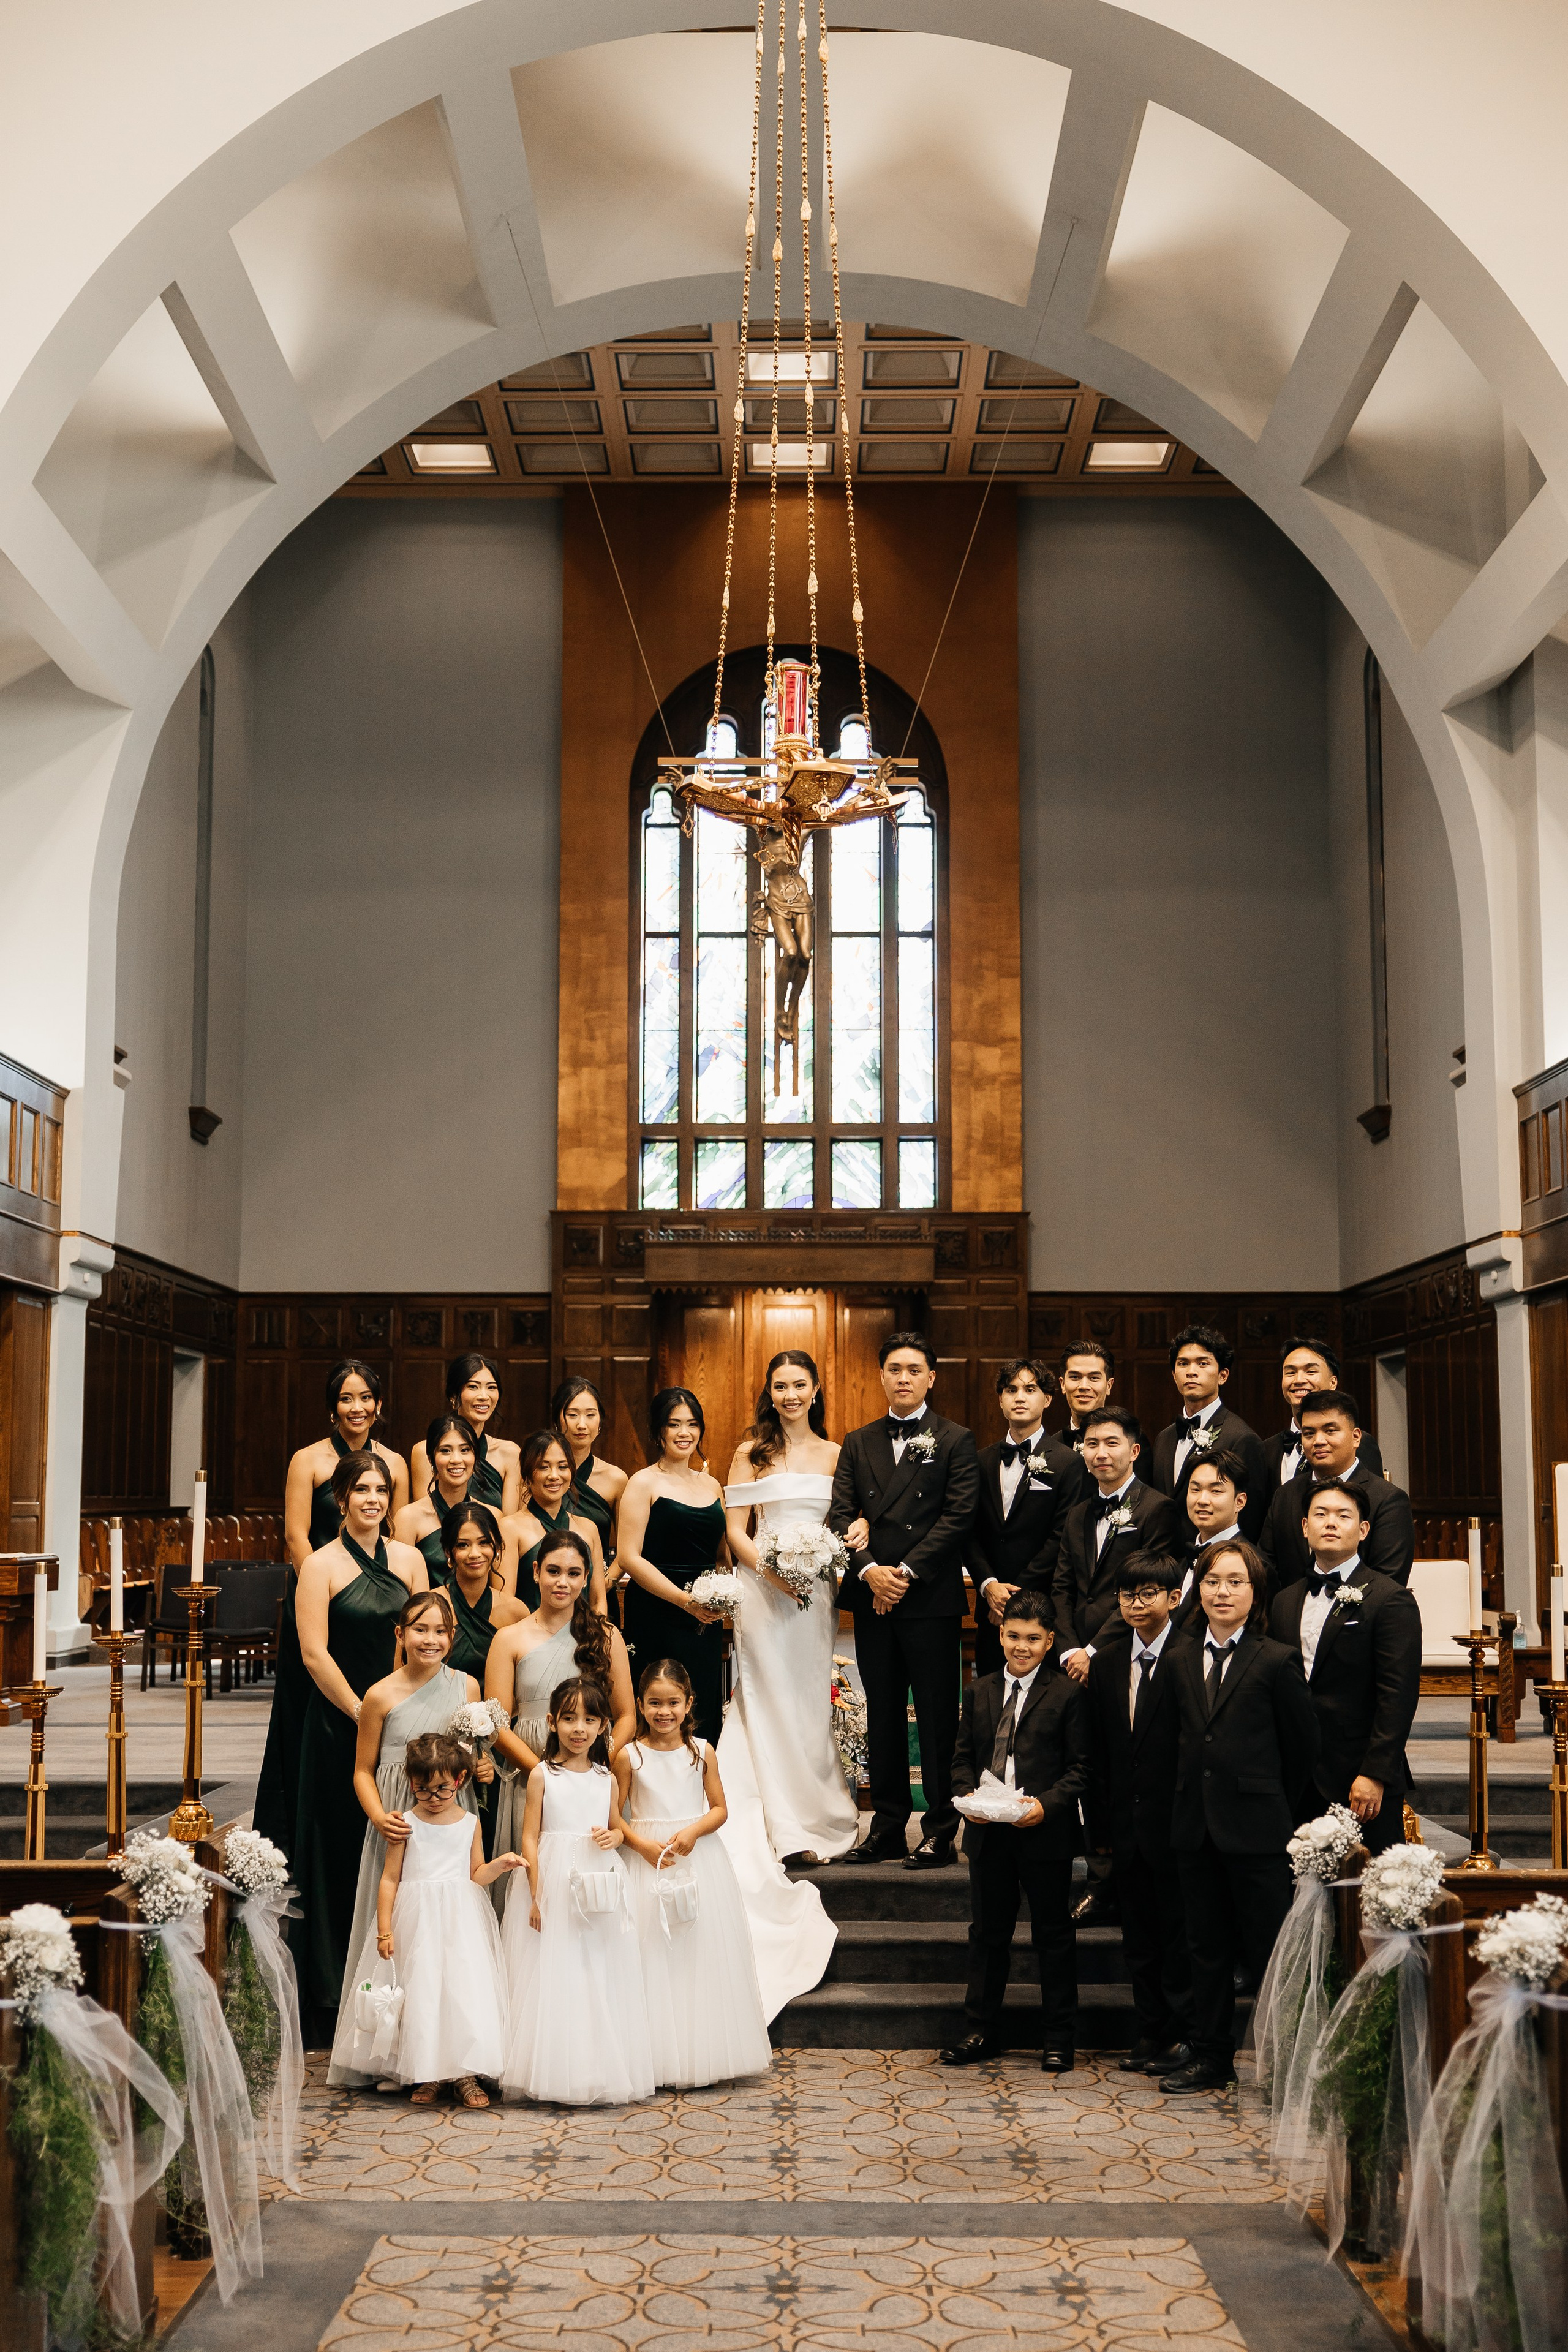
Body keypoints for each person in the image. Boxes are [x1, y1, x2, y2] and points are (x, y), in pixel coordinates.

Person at [1161, 1539, 1319, 2094]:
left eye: (1235, 1581)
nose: (1222, 1591)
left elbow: (1301, 1752)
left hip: (1257, 1829)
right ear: (1197, 1590)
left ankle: (1288, 2060)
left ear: (1255, 1594)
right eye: (1212, 1581)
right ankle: (1210, 2055)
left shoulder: (1276, 1659)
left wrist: (1271, 1804)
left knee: (1269, 1946)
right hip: (1194, 1826)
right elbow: (1167, 1743)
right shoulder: (1178, 1658)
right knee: (1204, 1948)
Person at [290, 1451, 429, 2046]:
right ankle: (331, 1992)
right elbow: (314, 1654)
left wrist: (401, 1707)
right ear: (340, 1499)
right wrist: (362, 1711)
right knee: (340, 1849)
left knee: (400, 1852)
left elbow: (426, 1636)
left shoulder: (411, 1559)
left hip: (404, 1719)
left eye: (381, 1490)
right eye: (360, 1489)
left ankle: (404, 1980)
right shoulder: (319, 1566)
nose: (372, 1498)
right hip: (337, 1720)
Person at [829, 1331, 980, 1871]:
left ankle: (941, 1830)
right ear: (882, 1375)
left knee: (938, 1719)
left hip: (929, 1598)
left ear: (931, 1378)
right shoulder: (857, 1440)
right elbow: (840, 1513)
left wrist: (905, 1574)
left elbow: (958, 1517)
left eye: (914, 1369)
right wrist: (871, 1573)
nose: (904, 1378)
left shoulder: (956, 1439)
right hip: (873, 1598)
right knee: (884, 1716)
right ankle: (888, 1828)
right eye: (894, 1368)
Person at [328, 1585, 490, 2084]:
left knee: (448, 1947)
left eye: (441, 1631)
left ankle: (453, 2055)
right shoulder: (380, 1694)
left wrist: (482, 1765)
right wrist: (380, 1816)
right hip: (399, 1816)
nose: (431, 1639)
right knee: (400, 1937)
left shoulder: (467, 1687)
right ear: (400, 1634)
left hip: (448, 1812)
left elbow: (472, 1750)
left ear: (453, 1635)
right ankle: (395, 2056)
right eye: (420, 1629)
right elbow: (362, 1768)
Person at [257, 1360, 409, 1856]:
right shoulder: (309, 1460)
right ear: (332, 1408)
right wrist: (331, 1589)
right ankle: (304, 1835)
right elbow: (296, 1535)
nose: (357, 1407)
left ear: (379, 1404)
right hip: (322, 1594)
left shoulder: (395, 1462)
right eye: (346, 1398)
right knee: (309, 1722)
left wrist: (380, 1591)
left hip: (379, 1606)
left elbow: (396, 1534)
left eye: (366, 1397)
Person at [941, 1591, 1090, 2074]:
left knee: (1053, 1934)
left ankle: (1058, 2038)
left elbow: (1081, 1769)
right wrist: (969, 1802)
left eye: (1032, 1639)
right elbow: (963, 1758)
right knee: (988, 1934)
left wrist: (1046, 1806)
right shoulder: (979, 1689)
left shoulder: (1067, 1694)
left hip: (1041, 1833)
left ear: (1049, 1642)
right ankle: (980, 2028)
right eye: (1012, 1636)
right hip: (989, 1833)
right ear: (999, 1635)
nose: (1020, 1647)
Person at [333, 1731, 521, 2106]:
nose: (433, 1799)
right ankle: (429, 2072)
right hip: (416, 1918)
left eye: (441, 1790)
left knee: (463, 1990)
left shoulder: (469, 1822)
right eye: (423, 1790)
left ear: (459, 1780)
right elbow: (390, 1878)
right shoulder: (404, 1823)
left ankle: (465, 2074)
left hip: (461, 1918)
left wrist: (499, 1866)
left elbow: (475, 1873)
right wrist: (385, 1929)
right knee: (424, 1991)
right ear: (411, 1783)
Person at [614, 1659, 772, 2088]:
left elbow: (720, 1808)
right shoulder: (629, 1756)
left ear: (689, 1703)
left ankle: (697, 2051)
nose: (663, 1712)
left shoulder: (702, 1752)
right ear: (641, 1705)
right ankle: (655, 2056)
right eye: (653, 1703)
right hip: (648, 1859)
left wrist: (693, 1832)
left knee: (694, 1953)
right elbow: (614, 1815)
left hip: (696, 1856)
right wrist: (641, 1845)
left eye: (673, 1703)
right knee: (651, 1953)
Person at [499, 1675, 655, 2107]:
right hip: (552, 1874)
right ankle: (550, 2066)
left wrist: (615, 1840)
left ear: (604, 1725)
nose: (579, 1728)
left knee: (595, 1967)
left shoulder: (607, 1778)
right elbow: (530, 1835)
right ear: (552, 1722)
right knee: (553, 1968)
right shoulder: (541, 1775)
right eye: (569, 1719)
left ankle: (594, 2066)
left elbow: (615, 1827)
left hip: (596, 1878)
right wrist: (535, 1889)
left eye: (589, 1719)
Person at [1267, 1480, 1421, 1854]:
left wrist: (1375, 1772)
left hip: (1360, 1777)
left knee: (1369, 1894)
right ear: (1305, 1527)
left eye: (1343, 1515)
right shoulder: (1285, 1601)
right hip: (1297, 1777)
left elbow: (1397, 1696)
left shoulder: (1390, 1599)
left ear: (1363, 1529)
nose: (1330, 1523)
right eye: (1320, 1515)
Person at [1085, 1557, 1193, 2076]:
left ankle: (1182, 2034)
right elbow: (1101, 1754)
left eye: (1148, 1593)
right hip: (1126, 1828)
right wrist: (1102, 1832)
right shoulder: (1105, 1661)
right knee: (1140, 1941)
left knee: (1180, 1937)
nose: (1135, 1603)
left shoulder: (1191, 1655)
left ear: (1175, 1598)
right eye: (1127, 1594)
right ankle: (1150, 2031)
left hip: (1177, 1824)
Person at [486, 1530, 636, 1871]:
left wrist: (595, 1767)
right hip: (531, 1768)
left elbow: (627, 1715)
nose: (562, 1582)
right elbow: (496, 1723)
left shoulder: (606, 1636)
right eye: (553, 1571)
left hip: (592, 1768)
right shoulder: (508, 1639)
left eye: (573, 1573)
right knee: (534, 1872)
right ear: (536, 1571)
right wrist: (543, 1771)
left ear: (586, 1578)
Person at [618, 1389, 731, 1744]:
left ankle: (700, 1787)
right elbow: (629, 1557)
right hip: (658, 1610)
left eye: (693, 1424)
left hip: (706, 1615)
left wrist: (727, 1595)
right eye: (675, 1424)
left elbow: (722, 1555)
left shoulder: (712, 1485)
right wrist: (685, 1601)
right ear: (659, 1432)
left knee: (701, 1700)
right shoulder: (643, 1482)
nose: (685, 1433)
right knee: (659, 1703)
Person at [966, 1357, 1080, 1679]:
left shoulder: (1069, 1462)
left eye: (1030, 1389)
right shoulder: (979, 1460)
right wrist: (989, 1586)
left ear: (1047, 1399)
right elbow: (967, 1531)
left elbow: (1062, 1536)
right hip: (990, 1610)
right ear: (1000, 1399)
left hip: (1040, 1609)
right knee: (990, 1702)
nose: (1019, 1397)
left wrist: (1013, 1598)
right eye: (1011, 1389)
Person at [1259, 1390, 1415, 1588]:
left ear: (1356, 1437)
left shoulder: (1388, 1500)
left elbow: (1387, 1584)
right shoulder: (1285, 1495)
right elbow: (1266, 1568)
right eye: (1309, 1433)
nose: (1318, 1441)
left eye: (1330, 1431)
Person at [1147, 1325, 1266, 1541]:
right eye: (1183, 1364)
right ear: (1174, 1375)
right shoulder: (1164, 1438)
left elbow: (1250, 1522)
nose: (1191, 1371)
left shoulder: (1242, 1438)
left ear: (1223, 1375)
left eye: (1203, 1363)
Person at [394, 1416, 516, 1591]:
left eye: (465, 1450)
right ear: (431, 1459)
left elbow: (501, 1593)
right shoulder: (408, 1519)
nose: (456, 1459)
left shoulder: (494, 1516)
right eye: (446, 1451)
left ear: (476, 1458)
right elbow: (402, 1593)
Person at [503, 1429, 609, 1614]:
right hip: (529, 1638)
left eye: (562, 1467)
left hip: (583, 1637)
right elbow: (506, 1603)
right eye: (544, 1467)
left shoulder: (589, 1529)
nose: (554, 1475)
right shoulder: (510, 1528)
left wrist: (594, 1639)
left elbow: (598, 1600)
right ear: (527, 1476)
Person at [1262, 1338, 1384, 1490]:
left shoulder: (1357, 1443)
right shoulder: (1267, 1449)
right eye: (1291, 1372)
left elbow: (1372, 1495)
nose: (1299, 1380)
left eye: (1310, 1371)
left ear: (1333, 1383)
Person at [410, 1352, 522, 1517]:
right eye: (473, 1387)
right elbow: (426, 1517)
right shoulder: (423, 1450)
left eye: (491, 1387)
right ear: (454, 1395)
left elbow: (509, 1524)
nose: (484, 1396)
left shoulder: (510, 1453)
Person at [553, 1376, 628, 1569]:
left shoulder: (616, 1479)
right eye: (572, 1415)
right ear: (556, 1420)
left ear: (600, 1423)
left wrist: (604, 1585)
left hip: (599, 1587)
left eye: (590, 1415)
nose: (582, 1424)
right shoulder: (537, 1473)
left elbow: (627, 1552)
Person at [1056, 1341, 1115, 1451]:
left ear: (1109, 1386)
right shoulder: (1051, 1446)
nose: (1084, 1386)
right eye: (1075, 1377)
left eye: (1094, 1378)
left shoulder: (1130, 1440)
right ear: (1063, 1384)